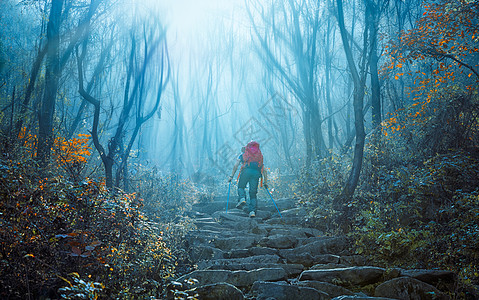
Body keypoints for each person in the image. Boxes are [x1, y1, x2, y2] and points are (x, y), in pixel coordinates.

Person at [228, 141, 268, 217]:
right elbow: (264, 170)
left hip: (246, 172)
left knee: (241, 186)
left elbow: (236, 165)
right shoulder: (258, 156)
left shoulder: (242, 155)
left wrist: (231, 176)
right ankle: (252, 211)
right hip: (256, 173)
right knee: (253, 194)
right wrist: (265, 183)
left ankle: (242, 198)